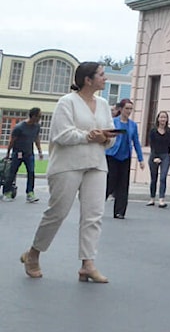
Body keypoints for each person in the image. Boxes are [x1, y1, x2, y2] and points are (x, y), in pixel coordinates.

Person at [20, 62, 114, 282]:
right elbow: (62, 134)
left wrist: (105, 139)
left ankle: (87, 264)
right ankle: (33, 254)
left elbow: (109, 137)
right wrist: (89, 136)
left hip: (96, 164)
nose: (105, 78)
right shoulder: (66, 102)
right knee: (57, 212)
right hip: (67, 165)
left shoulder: (103, 104)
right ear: (87, 80)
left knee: (93, 216)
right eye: (101, 75)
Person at [104, 98, 145, 219]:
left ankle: (119, 211)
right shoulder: (113, 122)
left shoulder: (133, 125)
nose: (129, 111)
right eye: (127, 108)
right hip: (112, 155)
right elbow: (107, 138)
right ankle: (98, 206)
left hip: (125, 157)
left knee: (123, 184)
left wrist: (141, 159)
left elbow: (136, 142)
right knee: (110, 182)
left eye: (130, 109)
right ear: (121, 109)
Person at [4, 107, 44, 202]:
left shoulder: (37, 126)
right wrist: (8, 153)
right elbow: (12, 141)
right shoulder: (19, 127)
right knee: (12, 173)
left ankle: (30, 193)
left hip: (29, 154)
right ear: (33, 116)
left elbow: (36, 139)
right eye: (39, 116)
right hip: (18, 153)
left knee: (31, 173)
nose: (40, 118)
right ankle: (7, 192)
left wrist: (40, 151)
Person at [146, 111, 170, 208]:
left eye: (165, 117)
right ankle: (152, 198)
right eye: (161, 117)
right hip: (154, 155)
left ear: (167, 120)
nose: (163, 119)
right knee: (153, 178)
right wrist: (155, 157)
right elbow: (152, 145)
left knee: (163, 177)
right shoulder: (153, 131)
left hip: (165, 155)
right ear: (158, 119)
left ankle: (162, 199)